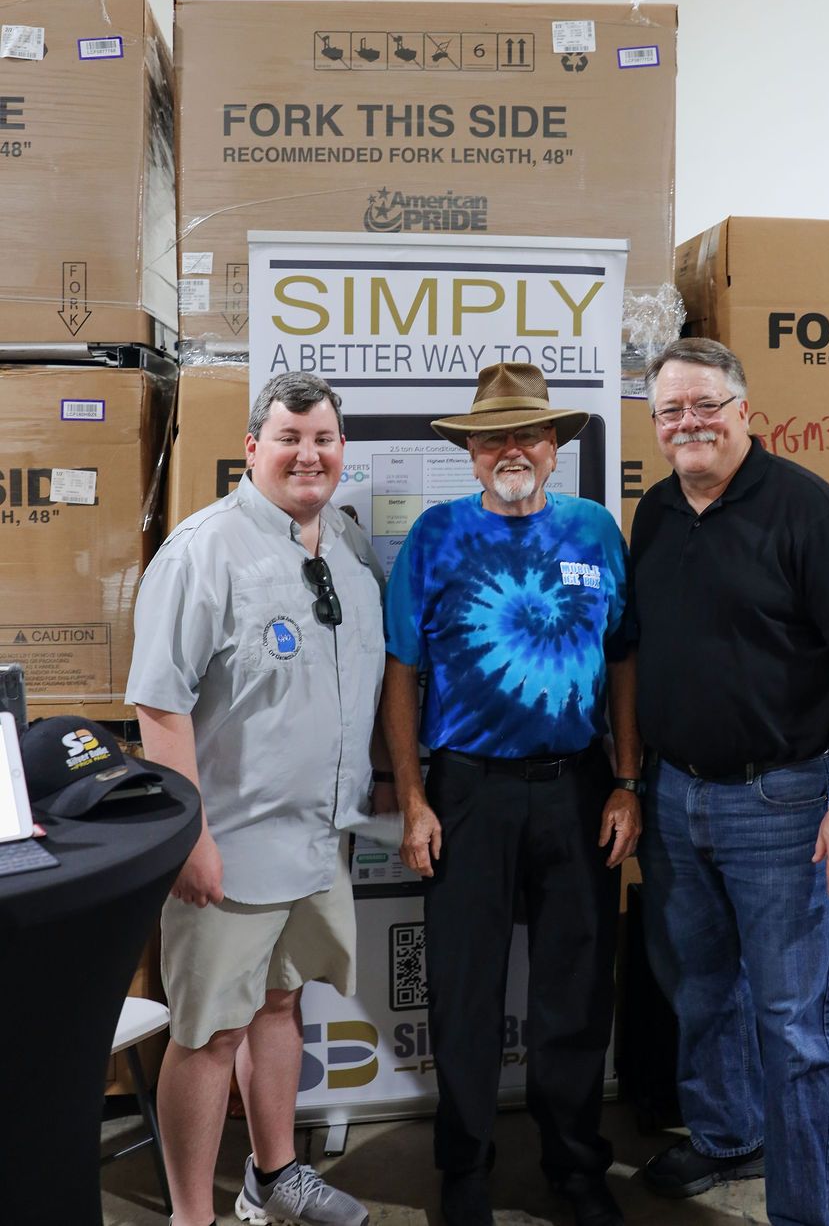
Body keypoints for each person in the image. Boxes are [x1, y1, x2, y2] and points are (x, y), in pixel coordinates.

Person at [630, 337, 829, 1226]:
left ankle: (807, 1213)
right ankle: (724, 1135)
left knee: (795, 1025)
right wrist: (635, 775)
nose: (689, 423)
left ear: (745, 409)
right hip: (676, 796)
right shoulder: (658, 512)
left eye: (705, 405)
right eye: (672, 410)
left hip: (781, 802)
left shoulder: (808, 510)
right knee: (701, 991)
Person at [126, 372, 391, 1226]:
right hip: (229, 847)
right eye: (289, 438)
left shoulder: (347, 551)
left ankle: (272, 1179)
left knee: (282, 1003)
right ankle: (190, 1215)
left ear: (341, 450)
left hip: (316, 844)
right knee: (208, 1035)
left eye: (323, 439)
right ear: (252, 449)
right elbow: (158, 703)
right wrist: (189, 837)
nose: (308, 455)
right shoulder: (204, 551)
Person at [381, 362, 642, 1226]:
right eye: (493, 436)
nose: (511, 449)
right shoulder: (435, 536)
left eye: (528, 433)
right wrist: (413, 798)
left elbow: (623, 661)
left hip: (579, 789)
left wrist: (628, 781)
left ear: (557, 447)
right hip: (467, 793)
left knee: (574, 991)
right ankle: (464, 1172)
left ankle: (574, 1166)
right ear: (470, 453)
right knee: (463, 991)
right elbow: (402, 673)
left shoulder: (597, 531)